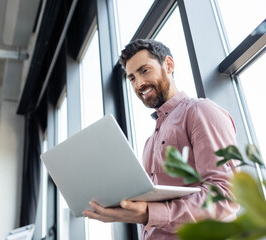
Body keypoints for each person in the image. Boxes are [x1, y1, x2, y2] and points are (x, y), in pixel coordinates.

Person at [82, 39, 239, 239]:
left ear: (169, 65)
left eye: (144, 70)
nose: (139, 84)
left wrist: (150, 213)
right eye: (131, 78)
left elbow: (225, 196)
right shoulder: (150, 142)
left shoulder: (201, 112)